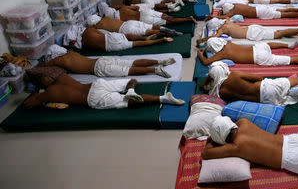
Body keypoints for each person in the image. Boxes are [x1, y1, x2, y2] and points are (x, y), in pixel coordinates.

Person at [201, 61, 298, 107]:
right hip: (266, 89)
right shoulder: (233, 76)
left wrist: (208, 81)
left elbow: (203, 86)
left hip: (266, 101)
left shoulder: (221, 93)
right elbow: (258, 77)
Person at [23, 75, 185, 109]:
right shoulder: (62, 78)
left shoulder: (51, 93)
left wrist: (37, 98)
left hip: (93, 98)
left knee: (127, 101)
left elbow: (27, 105)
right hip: (97, 85)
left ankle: (163, 98)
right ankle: (130, 90)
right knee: (132, 81)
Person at [41, 44, 175, 78]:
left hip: (98, 68)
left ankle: (155, 70)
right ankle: (160, 61)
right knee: (131, 62)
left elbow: (44, 66)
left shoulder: (60, 61)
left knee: (127, 71)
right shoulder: (70, 52)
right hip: (101, 60)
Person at [197, 38, 298, 67]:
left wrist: (200, 54)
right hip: (258, 49)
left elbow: (206, 62)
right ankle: (288, 45)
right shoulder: (227, 43)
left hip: (259, 57)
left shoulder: (222, 53)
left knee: (290, 60)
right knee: (267, 44)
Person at [197, 17, 298, 45]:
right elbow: (221, 18)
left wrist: (203, 39)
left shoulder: (223, 29)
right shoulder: (226, 21)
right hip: (253, 28)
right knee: (278, 33)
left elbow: (215, 37)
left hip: (253, 33)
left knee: (279, 34)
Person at [63, 24, 173, 52]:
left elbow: (135, 41)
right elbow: (132, 40)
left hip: (116, 33)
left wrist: (158, 40)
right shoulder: (91, 30)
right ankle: (161, 30)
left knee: (145, 29)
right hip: (114, 36)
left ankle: (161, 31)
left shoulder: (91, 30)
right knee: (145, 28)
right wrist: (146, 39)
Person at [98, 2, 197, 26]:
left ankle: (188, 18)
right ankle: (184, 16)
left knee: (169, 22)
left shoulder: (117, 21)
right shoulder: (123, 8)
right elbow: (136, 7)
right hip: (144, 13)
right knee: (165, 16)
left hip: (143, 20)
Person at [86, 15, 182, 37]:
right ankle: (164, 28)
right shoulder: (106, 17)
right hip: (128, 22)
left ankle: (167, 33)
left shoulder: (98, 26)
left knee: (147, 32)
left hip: (124, 29)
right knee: (151, 26)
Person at [214, 3, 298, 19]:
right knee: (282, 10)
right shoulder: (235, 5)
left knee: (284, 14)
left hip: (261, 13)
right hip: (260, 8)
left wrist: (216, 16)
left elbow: (225, 17)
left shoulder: (233, 11)